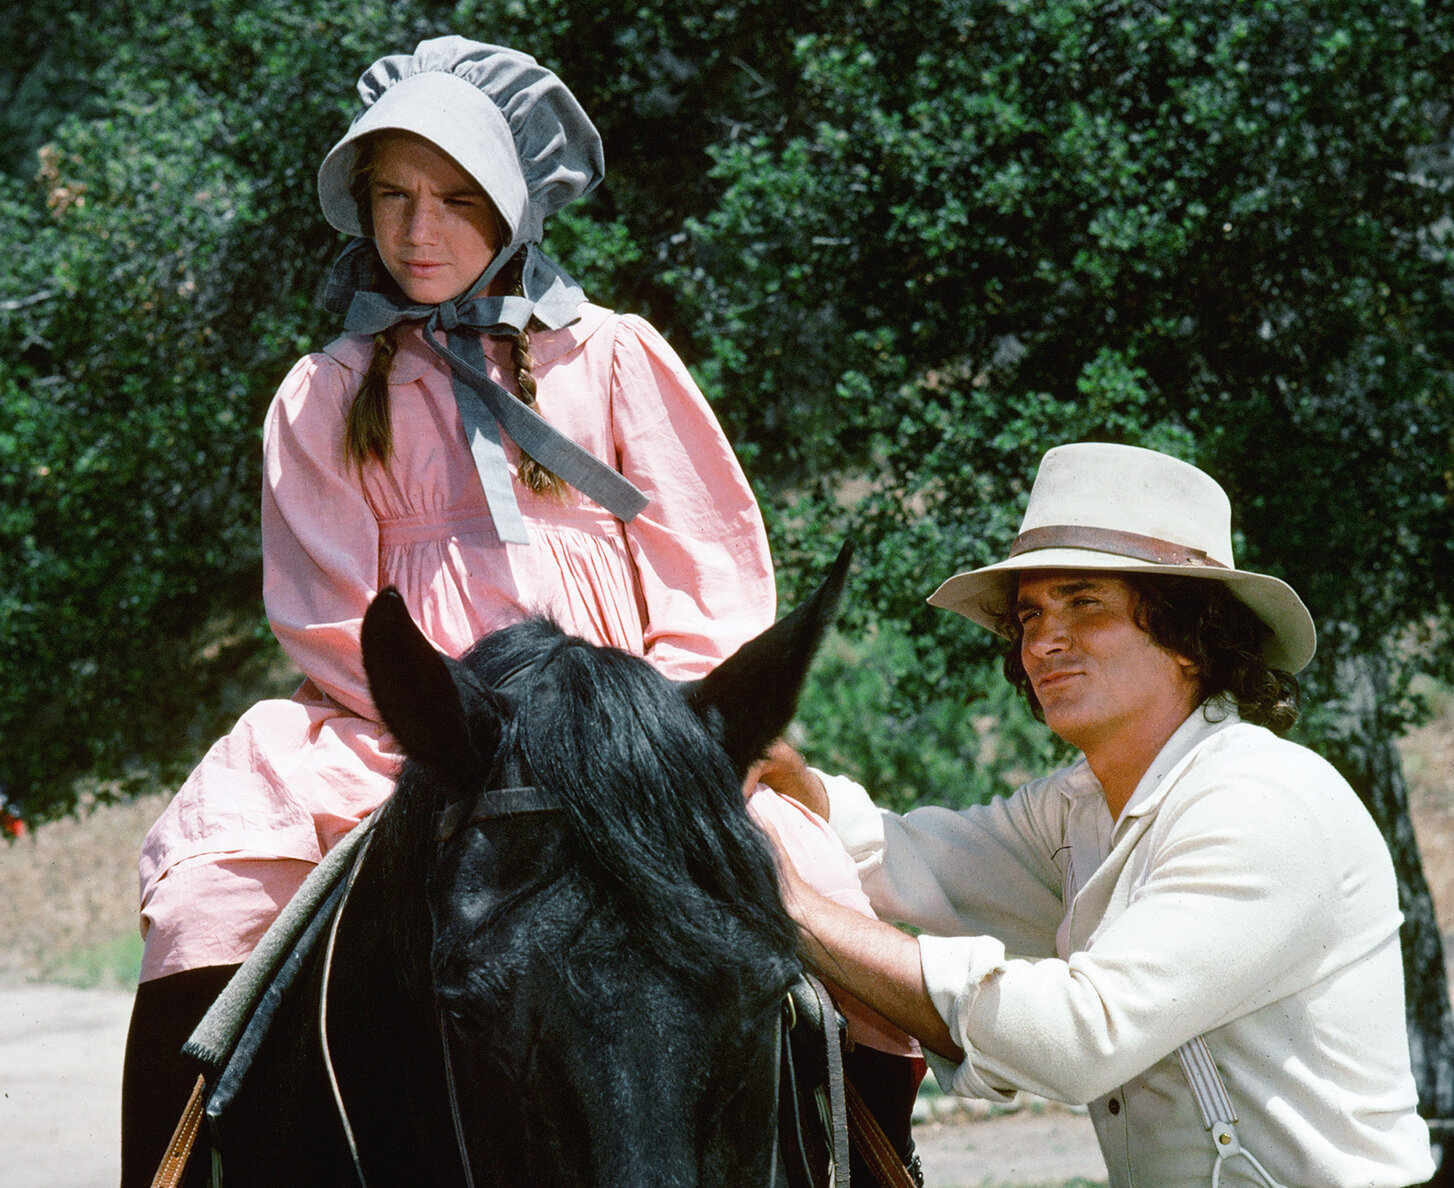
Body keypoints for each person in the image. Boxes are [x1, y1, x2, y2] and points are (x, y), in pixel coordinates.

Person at [119, 36, 918, 1188]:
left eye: (452, 199)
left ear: (510, 204)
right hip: (411, 730)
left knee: (812, 890)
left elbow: (710, 562)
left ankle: (874, 1155)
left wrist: (643, 728)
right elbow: (328, 609)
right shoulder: (326, 392)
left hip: (632, 732)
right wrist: (474, 720)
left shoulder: (616, 356)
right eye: (390, 197)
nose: (416, 231)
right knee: (208, 899)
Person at [758, 441, 1434, 1187]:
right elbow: (922, 863)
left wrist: (795, 912)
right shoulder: (1083, 804)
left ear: (1188, 636)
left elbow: (1082, 1037)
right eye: (1030, 614)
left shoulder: (1260, 804)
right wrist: (802, 790)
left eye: (1085, 603)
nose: (1043, 640)